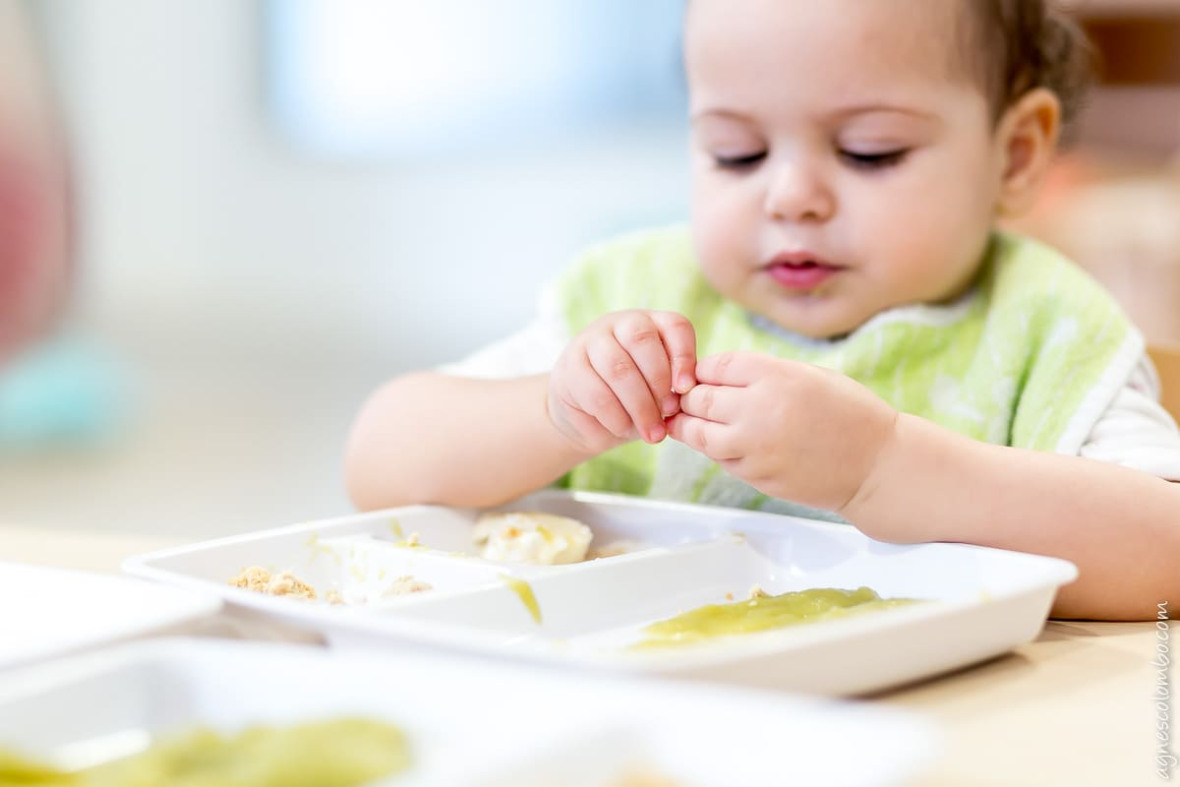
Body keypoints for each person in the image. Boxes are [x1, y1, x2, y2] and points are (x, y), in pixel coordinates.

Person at [345, 0, 1180, 621]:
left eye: (869, 151)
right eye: (735, 152)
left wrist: (884, 467)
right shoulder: (635, 296)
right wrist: (553, 413)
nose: (790, 195)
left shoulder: (1045, 327)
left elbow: (1165, 555)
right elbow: (379, 463)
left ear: (1016, 154)